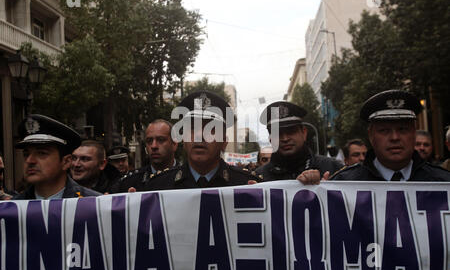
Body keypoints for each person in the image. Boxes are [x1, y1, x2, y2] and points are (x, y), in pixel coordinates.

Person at [131, 90, 261, 191]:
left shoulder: (248, 186)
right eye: (193, 128)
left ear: (224, 142)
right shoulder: (157, 187)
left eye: (211, 128)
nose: (200, 135)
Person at [331, 90, 450, 181]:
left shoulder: (442, 182)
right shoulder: (346, 183)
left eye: (402, 129)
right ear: (371, 136)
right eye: (384, 130)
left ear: (414, 132)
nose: (395, 137)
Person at [13, 114, 102, 200]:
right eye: (26, 154)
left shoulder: (92, 205)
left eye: (42, 153)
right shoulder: (11, 209)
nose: (29, 160)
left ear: (66, 162)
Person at [256, 101, 343, 183]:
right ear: (270, 139)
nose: (285, 138)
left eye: (291, 131)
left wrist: (326, 191)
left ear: (304, 133)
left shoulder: (332, 168)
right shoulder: (259, 177)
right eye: (278, 134)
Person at [110, 119, 179, 193]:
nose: (153, 146)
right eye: (149, 141)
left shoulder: (188, 178)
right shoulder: (128, 183)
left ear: (174, 144)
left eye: (161, 140)